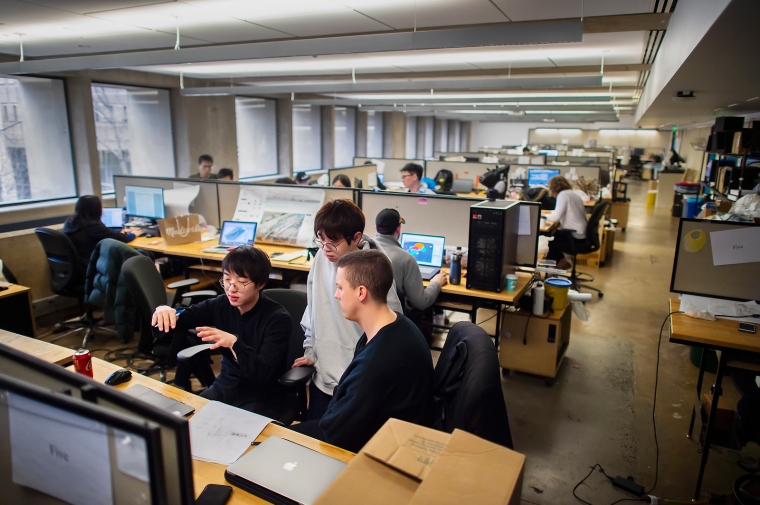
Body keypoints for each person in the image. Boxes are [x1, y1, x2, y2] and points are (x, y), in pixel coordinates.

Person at [291, 250, 434, 452]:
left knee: (281, 439)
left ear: (361, 292)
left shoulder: (376, 360)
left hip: (378, 451)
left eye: (340, 287)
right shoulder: (400, 327)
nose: (336, 294)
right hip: (384, 436)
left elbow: (335, 432)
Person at [292, 199, 402, 421]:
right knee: (314, 444)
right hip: (323, 380)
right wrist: (310, 352)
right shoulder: (321, 259)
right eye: (321, 240)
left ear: (356, 238)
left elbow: (391, 332)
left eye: (332, 242)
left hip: (359, 384)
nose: (325, 248)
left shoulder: (375, 270)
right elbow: (313, 314)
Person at [152, 247, 292, 417]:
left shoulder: (277, 318)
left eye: (242, 282)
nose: (231, 289)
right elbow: (183, 319)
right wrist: (165, 312)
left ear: (261, 283)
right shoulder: (221, 304)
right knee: (186, 420)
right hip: (225, 386)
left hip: (262, 396)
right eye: (226, 279)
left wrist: (234, 343)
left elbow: (262, 373)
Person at [373, 208, 446, 311]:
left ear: (376, 228)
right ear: (398, 229)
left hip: (366, 320)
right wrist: (436, 283)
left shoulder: (363, 250)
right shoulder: (406, 259)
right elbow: (421, 302)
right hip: (393, 319)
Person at [63, 195, 140, 268]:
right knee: (139, 254)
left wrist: (121, 232)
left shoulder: (70, 222)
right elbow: (122, 239)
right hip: (91, 265)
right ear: (95, 210)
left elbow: (108, 234)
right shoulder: (93, 227)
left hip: (75, 265)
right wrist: (135, 233)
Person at [545, 175, 588, 270]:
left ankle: (558, 266)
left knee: (551, 238)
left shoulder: (563, 195)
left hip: (574, 235)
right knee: (555, 235)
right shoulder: (572, 194)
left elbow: (556, 217)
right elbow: (560, 213)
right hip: (582, 234)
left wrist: (542, 216)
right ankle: (561, 262)